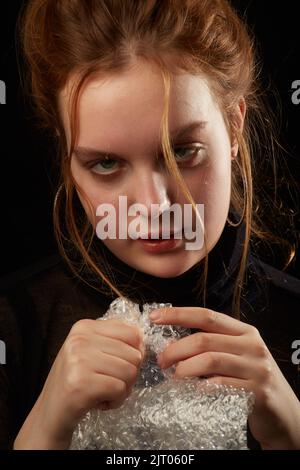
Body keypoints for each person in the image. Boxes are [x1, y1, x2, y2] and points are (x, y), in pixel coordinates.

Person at [0, 0, 299, 450]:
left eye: (182, 151)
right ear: (67, 162)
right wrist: (43, 431)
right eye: (105, 163)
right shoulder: (13, 328)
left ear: (234, 129)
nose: (155, 207)